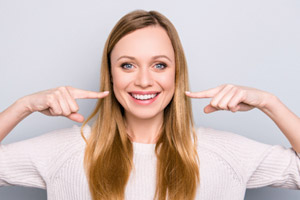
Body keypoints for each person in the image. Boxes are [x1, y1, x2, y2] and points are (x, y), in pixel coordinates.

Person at [0, 10, 300, 200]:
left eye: (159, 65)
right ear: (111, 74)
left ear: (177, 73)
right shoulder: (63, 151)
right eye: (128, 65)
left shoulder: (227, 153)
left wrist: (269, 103)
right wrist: (23, 106)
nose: (144, 81)